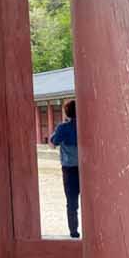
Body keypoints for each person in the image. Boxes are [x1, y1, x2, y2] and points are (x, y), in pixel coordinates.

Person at [51, 101, 80, 238]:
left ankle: (74, 232)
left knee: (72, 203)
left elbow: (53, 142)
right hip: (86, 168)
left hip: (69, 169)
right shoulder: (85, 125)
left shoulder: (63, 128)